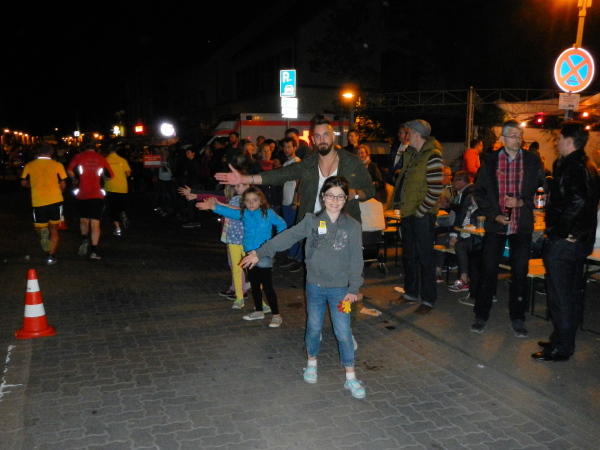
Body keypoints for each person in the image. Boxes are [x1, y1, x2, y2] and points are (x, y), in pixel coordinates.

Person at [240, 176, 366, 399]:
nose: (334, 200)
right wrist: (260, 252)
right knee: (314, 327)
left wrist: (353, 288)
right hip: (314, 288)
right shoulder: (312, 221)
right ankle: (311, 364)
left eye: (340, 196)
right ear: (323, 197)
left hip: (341, 291)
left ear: (346, 199)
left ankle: (351, 377)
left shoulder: (352, 226)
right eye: (330, 195)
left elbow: (357, 259)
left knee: (344, 332)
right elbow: (287, 237)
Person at [216, 114, 375, 228]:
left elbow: (370, 190)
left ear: (333, 136)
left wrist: (355, 193)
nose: (322, 140)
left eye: (326, 135)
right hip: (315, 227)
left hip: (345, 226)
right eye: (318, 136)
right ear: (313, 140)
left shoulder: (352, 161)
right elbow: (279, 175)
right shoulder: (308, 163)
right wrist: (243, 179)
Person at [470, 119, 545, 336]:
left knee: (520, 273)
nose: (517, 139)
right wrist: (494, 215)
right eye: (512, 135)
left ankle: (518, 318)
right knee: (488, 271)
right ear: (502, 138)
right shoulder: (490, 161)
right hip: (497, 225)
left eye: (519, 135)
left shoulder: (531, 160)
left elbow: (541, 189)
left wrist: (522, 202)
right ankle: (481, 315)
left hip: (521, 226)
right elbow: (479, 192)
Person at [533, 121, 599, 362]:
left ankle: (561, 347)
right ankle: (561, 339)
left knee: (560, 295)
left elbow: (578, 201)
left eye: (559, 138)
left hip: (565, 243)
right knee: (569, 294)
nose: (556, 141)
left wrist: (560, 230)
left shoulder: (573, 166)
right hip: (577, 241)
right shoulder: (587, 164)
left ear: (569, 141)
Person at [197, 186, 287, 327]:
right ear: (244, 202)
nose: (251, 203)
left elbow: (282, 225)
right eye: (248, 200)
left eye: (255, 200)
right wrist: (213, 207)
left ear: (261, 200)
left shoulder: (268, 213)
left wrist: (274, 244)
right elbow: (230, 212)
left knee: (267, 286)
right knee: (255, 285)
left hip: (263, 254)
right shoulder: (245, 213)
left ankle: (276, 315)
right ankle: (258, 311)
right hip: (249, 253)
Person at [391, 119, 444, 314]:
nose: (406, 135)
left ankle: (428, 299)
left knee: (425, 257)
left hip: (422, 214)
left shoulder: (433, 156)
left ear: (416, 134)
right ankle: (411, 293)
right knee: (410, 255)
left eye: (408, 132)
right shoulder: (412, 154)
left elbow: (435, 189)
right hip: (409, 212)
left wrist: (421, 212)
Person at [20, 142, 68, 265]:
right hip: (55, 200)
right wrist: (58, 190)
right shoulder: (57, 165)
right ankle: (51, 256)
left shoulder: (30, 165)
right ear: (51, 152)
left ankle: (43, 234)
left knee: (40, 227)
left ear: (37, 152)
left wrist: (33, 185)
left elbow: (23, 182)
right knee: (54, 229)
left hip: (38, 201)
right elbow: (63, 184)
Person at [67, 140, 114, 260]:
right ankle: (94, 251)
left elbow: (69, 170)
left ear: (84, 146)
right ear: (95, 147)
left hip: (82, 193)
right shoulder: (101, 158)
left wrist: (75, 179)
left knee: (83, 220)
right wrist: (101, 176)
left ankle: (84, 240)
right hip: (97, 194)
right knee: (95, 223)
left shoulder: (78, 157)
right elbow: (110, 176)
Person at [277, 137, 303, 272]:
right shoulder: (287, 163)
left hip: (292, 202)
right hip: (285, 201)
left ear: (295, 147)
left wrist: (295, 200)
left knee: (294, 230)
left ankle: (298, 257)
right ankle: (291, 255)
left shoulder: (297, 162)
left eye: (289, 147)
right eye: (285, 147)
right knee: (289, 230)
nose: (287, 149)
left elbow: (299, 182)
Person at [104, 143, 132, 236]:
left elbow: (102, 173)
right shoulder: (122, 160)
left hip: (110, 186)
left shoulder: (105, 160)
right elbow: (128, 174)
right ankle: (123, 213)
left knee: (112, 208)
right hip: (122, 187)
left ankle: (118, 228)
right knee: (121, 204)